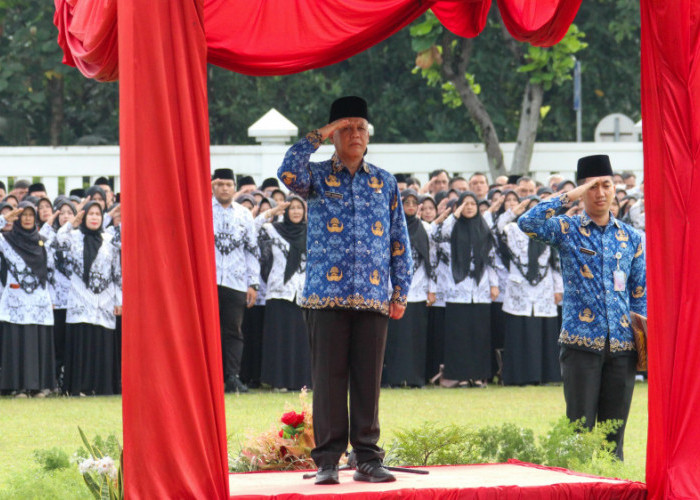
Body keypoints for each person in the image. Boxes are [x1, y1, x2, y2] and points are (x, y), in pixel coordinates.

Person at [278, 95, 412, 485]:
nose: (355, 134)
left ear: (369, 135)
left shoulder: (384, 181)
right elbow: (287, 172)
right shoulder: (317, 176)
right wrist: (318, 134)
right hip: (325, 296)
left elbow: (398, 239)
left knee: (367, 381)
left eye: (361, 128)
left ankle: (368, 458)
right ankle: (328, 461)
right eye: (346, 127)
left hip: (373, 298)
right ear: (334, 134)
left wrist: (400, 291)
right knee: (329, 380)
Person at [518, 154, 646, 460]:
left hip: (622, 347)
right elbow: (528, 222)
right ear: (580, 191)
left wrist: (642, 339)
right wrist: (568, 196)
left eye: (606, 185)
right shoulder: (567, 229)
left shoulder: (631, 237)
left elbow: (639, 292)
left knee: (614, 434)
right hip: (580, 342)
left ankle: (614, 486)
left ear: (615, 188)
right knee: (579, 430)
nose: (600, 193)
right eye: (591, 187)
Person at [431, 191, 498, 388]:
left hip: (480, 288)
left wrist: (494, 284)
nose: (469, 207)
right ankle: (455, 376)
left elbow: (491, 259)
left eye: (472, 204)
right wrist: (454, 215)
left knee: (479, 334)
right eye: (464, 204)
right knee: (457, 335)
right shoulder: (451, 228)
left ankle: (477, 375)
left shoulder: (483, 229)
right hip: (457, 288)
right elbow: (437, 236)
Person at [58, 201, 122, 396]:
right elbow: (58, 240)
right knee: (81, 343)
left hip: (104, 300)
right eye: (91, 214)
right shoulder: (75, 237)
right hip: (80, 298)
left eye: (98, 214)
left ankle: (101, 387)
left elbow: (117, 273)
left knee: (102, 344)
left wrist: (120, 300)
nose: (94, 217)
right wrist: (72, 223)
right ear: (84, 217)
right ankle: (79, 387)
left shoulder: (109, 239)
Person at [497, 197, 563, 385]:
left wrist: (558, 288)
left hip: (544, 291)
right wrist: (513, 212)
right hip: (519, 290)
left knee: (543, 334)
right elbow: (498, 226)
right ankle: (518, 377)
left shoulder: (549, 231)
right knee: (519, 333)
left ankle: (544, 376)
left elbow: (556, 263)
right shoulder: (513, 230)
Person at [211, 168, 260, 394]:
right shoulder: (203, 211)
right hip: (208, 281)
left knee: (233, 330)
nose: (224, 188)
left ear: (234, 187)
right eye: (220, 184)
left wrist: (253, 283)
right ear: (213, 186)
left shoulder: (243, 214)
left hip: (236, 281)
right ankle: (209, 377)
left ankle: (232, 376)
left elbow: (252, 250)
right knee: (206, 331)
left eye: (228, 184)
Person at [0, 204, 55, 397]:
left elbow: (50, 271)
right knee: (17, 342)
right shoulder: (6, 240)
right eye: (23, 215)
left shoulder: (42, 241)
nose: (27, 218)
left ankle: (39, 386)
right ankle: (17, 387)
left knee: (38, 342)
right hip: (16, 300)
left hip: (39, 300)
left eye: (31, 215)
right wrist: (5, 219)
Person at [257, 195, 312, 390]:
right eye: (292, 208)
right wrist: (270, 213)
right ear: (286, 211)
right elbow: (251, 229)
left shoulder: (312, 233)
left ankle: (302, 383)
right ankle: (278, 382)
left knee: (303, 340)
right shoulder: (273, 230)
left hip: (304, 295)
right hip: (280, 292)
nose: (296, 211)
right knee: (280, 340)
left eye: (299, 208)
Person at [383, 189, 435, 388]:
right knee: (396, 337)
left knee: (416, 336)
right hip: (394, 289)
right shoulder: (390, 226)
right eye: (407, 203)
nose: (411, 207)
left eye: (414, 203)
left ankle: (415, 378)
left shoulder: (426, 229)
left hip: (419, 288)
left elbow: (433, 259)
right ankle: (396, 378)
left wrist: (432, 288)